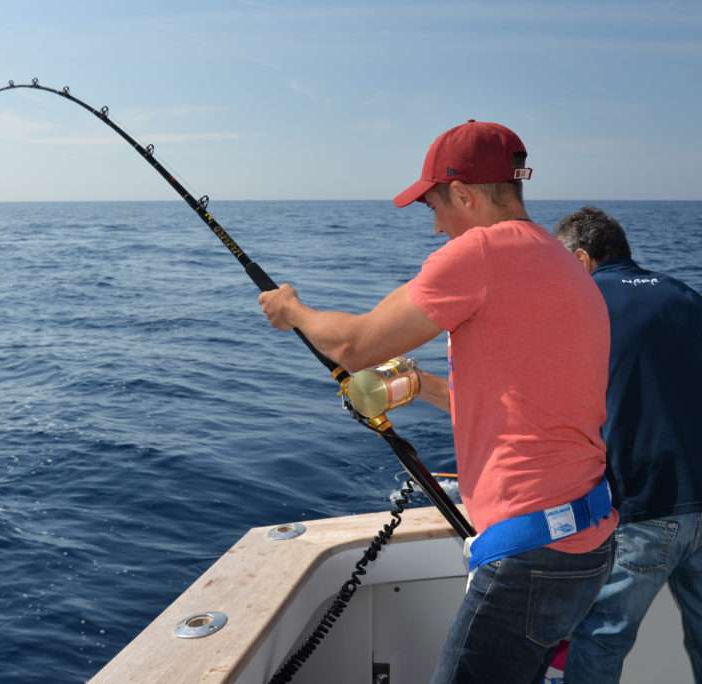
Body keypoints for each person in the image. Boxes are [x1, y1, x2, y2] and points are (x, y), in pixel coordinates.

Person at [258, 120, 617, 683]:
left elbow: (354, 344)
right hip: (586, 538)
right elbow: (525, 408)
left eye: (434, 206)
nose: (434, 227)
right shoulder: (558, 261)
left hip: (530, 552)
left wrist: (293, 311)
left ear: (464, 194)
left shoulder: (480, 253)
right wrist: (420, 385)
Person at [556, 207, 702, 683]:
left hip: (643, 507)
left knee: (601, 638)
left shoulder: (583, 305)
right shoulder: (686, 295)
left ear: (580, 260)